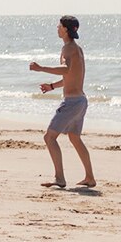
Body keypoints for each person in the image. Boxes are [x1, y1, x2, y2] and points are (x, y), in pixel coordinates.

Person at [30, 15, 95, 188]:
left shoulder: (68, 49)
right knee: (74, 138)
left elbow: (65, 69)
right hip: (80, 101)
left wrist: (41, 68)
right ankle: (90, 177)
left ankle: (59, 178)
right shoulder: (76, 49)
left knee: (49, 137)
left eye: (59, 26)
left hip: (72, 102)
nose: (57, 28)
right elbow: (71, 75)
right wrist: (52, 86)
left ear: (66, 29)